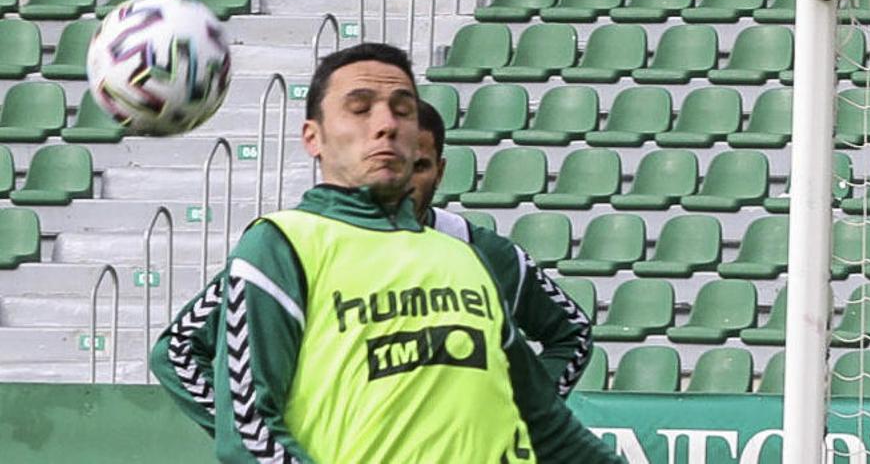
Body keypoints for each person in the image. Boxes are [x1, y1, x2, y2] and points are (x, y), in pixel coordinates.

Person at [151, 42, 623, 463]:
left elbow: (546, 425)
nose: (386, 124)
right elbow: (249, 434)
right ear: (312, 137)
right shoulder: (281, 246)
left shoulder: (467, 258)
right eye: (359, 108)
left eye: (403, 109)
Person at [410, 100, 594, 397]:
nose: (403, 181)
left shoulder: (487, 253)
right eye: (390, 163)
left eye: (418, 166)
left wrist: (532, 413)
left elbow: (573, 333)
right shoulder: (323, 248)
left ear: (440, 171)